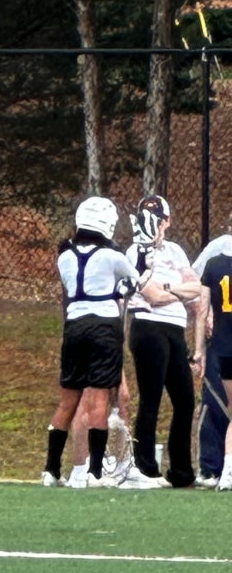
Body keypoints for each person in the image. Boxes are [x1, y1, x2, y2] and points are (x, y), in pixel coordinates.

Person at [41, 197, 140, 489]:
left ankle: (50, 470)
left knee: (67, 400)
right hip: (103, 328)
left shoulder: (65, 256)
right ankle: (95, 472)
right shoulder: (114, 257)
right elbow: (133, 283)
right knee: (98, 399)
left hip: (74, 327)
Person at [122, 195, 201, 489]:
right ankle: (145, 467)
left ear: (167, 222)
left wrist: (169, 289)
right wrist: (177, 290)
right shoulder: (135, 253)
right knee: (151, 397)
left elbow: (196, 287)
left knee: (184, 400)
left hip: (175, 329)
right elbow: (151, 296)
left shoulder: (175, 251)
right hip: (148, 327)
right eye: (145, 218)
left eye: (157, 219)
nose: (152, 225)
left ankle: (181, 470)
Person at [191, 212, 232, 487]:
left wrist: (198, 349)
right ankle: (213, 466)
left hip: (223, 341)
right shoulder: (217, 248)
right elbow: (199, 297)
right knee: (217, 403)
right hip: (221, 339)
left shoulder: (216, 263)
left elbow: (201, 303)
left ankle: (223, 470)